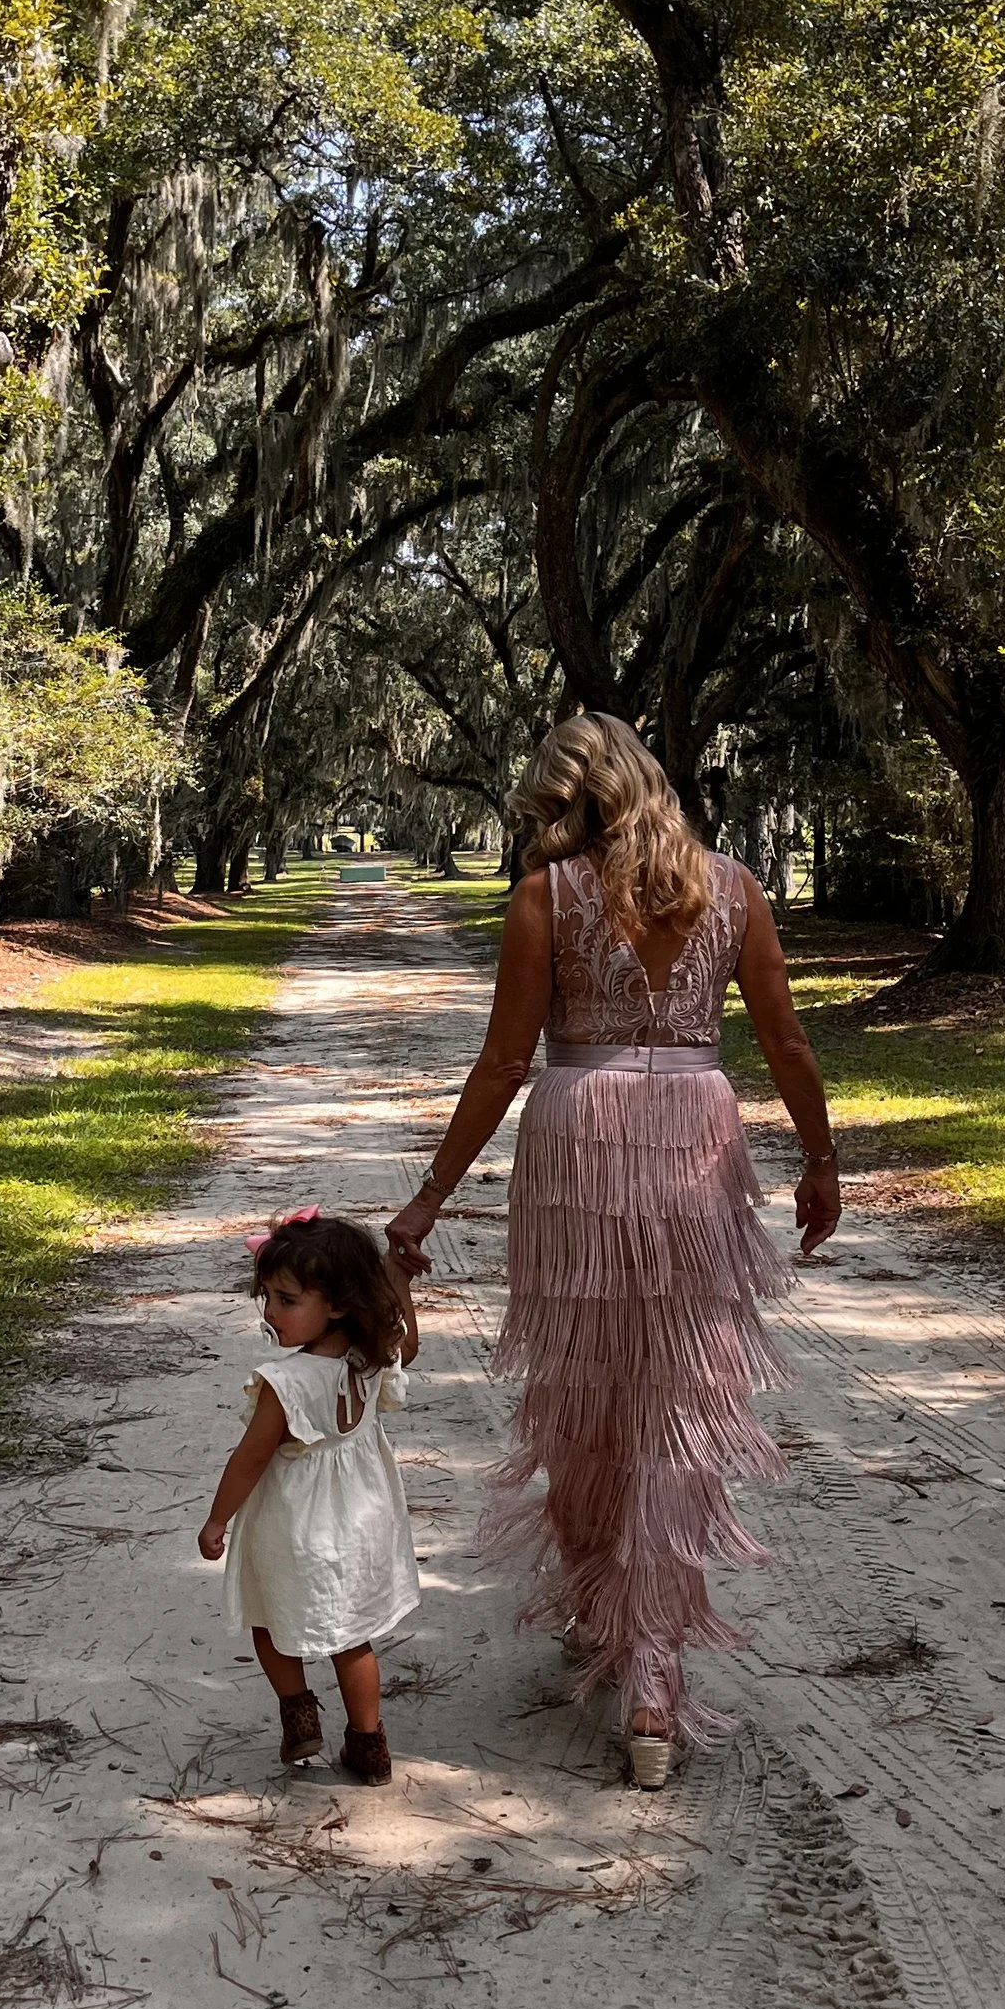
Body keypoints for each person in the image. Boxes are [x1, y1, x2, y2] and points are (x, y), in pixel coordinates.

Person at [383, 714, 840, 1786]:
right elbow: (784, 1039)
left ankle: (616, 1625)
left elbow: (503, 1061)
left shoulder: (548, 896)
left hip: (578, 1131)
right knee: (677, 1392)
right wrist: (819, 1158)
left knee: (587, 1391)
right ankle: (651, 1672)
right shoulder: (732, 888)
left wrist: (428, 1197)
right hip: (694, 1125)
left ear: (566, 802)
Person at [198, 1210, 422, 1785]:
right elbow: (409, 1339)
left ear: (339, 1303)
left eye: (287, 1300)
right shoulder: (375, 1354)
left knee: (270, 1619)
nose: (271, 1312)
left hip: (294, 1525)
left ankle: (298, 1713)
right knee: (352, 1638)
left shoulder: (286, 1381)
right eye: (267, 1296)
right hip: (360, 1523)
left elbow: (249, 1459)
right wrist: (397, 1282)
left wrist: (217, 1520)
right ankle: (369, 1745)